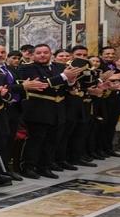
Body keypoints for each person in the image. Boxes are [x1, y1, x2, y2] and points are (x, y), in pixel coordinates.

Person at [18, 44, 80, 178]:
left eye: (45, 52)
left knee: (52, 140)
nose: (42, 55)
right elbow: (41, 84)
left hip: (58, 109)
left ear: (50, 54)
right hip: (38, 109)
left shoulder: (60, 67)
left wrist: (71, 80)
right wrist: (64, 77)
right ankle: (28, 166)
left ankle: (44, 166)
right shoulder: (27, 68)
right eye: (39, 53)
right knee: (36, 140)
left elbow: (68, 86)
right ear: (33, 55)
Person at [0, 42, 23, 179]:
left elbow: (16, 84)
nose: (0, 55)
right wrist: (23, 86)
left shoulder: (11, 68)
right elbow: (2, 87)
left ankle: (7, 167)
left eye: (2, 52)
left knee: (10, 139)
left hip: (14, 109)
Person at [98, 45, 120, 156]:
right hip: (104, 99)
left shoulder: (115, 64)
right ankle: (99, 149)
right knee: (103, 125)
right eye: (107, 53)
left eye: (112, 54)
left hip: (117, 99)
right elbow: (113, 76)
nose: (110, 56)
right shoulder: (99, 65)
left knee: (112, 125)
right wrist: (119, 68)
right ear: (101, 55)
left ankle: (109, 149)